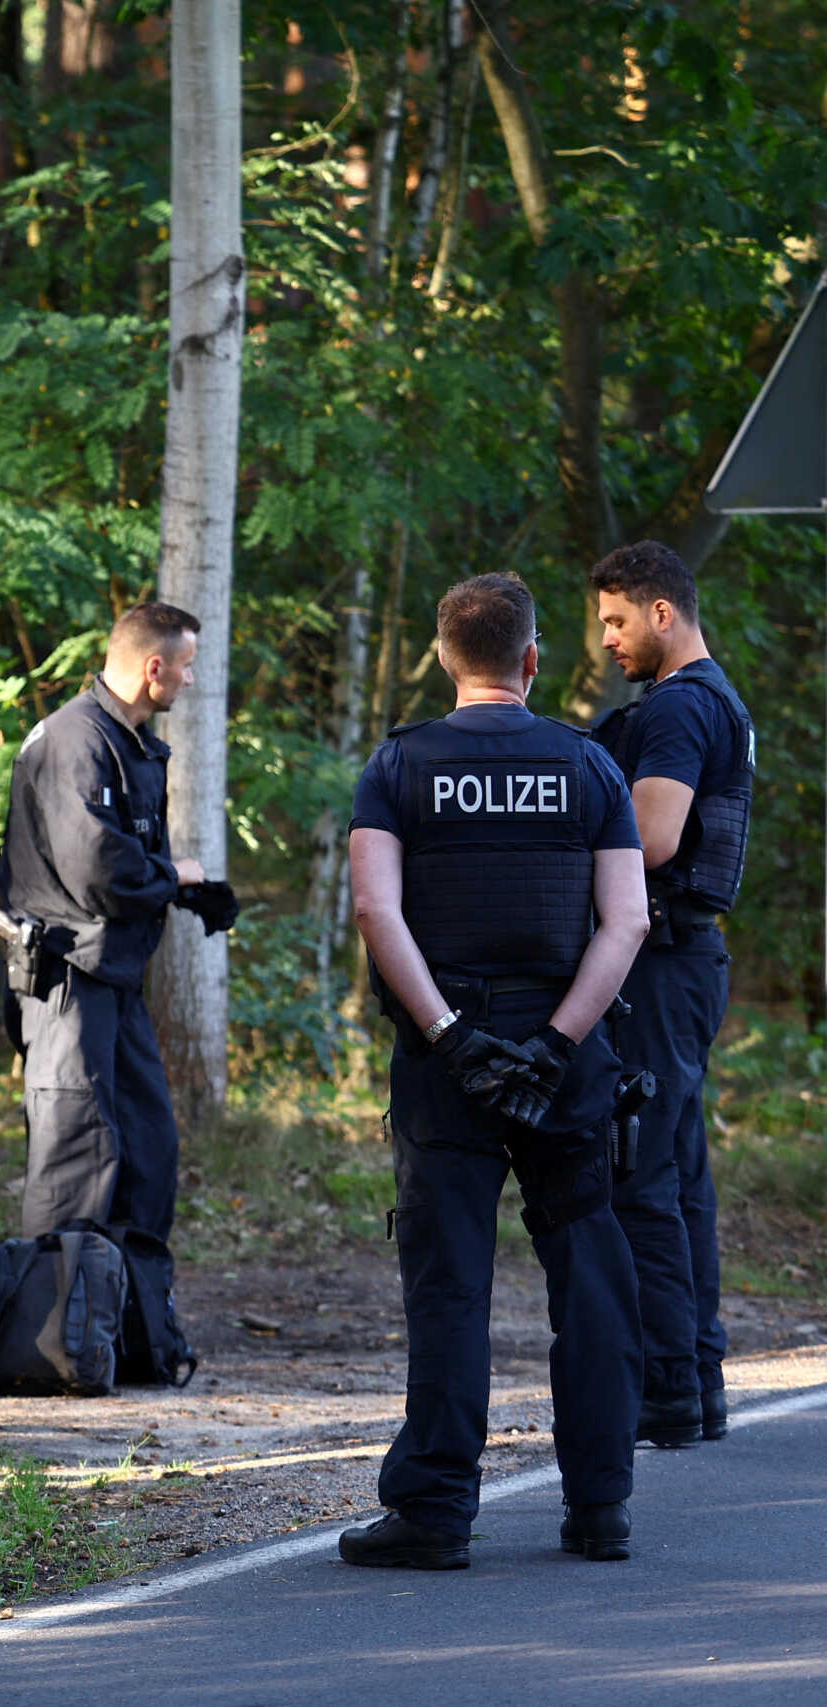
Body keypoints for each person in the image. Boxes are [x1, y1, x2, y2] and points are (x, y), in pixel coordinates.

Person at [339, 572, 648, 1570]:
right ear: (529, 661)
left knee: (449, 1282)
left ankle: (431, 1515)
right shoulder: (589, 766)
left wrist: (449, 1037)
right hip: (564, 1060)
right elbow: (627, 921)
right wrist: (555, 1044)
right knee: (590, 1275)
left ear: (441, 657)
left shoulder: (398, 765)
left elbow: (377, 912)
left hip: (448, 1067)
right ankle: (599, 1510)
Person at [0, 603, 235, 1246]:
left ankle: (131, 1336)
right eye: (185, 667)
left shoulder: (125, 743)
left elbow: (123, 860)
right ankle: (56, 1339)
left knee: (146, 1154)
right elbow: (96, 870)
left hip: (115, 978)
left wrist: (188, 891)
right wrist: (172, 877)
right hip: (67, 982)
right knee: (77, 1162)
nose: (190, 681)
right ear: (154, 666)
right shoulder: (74, 741)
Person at [589, 541, 754, 1447]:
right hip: (689, 964)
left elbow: (652, 838)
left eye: (616, 621)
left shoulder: (683, 708)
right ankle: (697, 1384)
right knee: (681, 1175)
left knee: (643, 1173)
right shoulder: (710, 695)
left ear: (661, 613)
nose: (607, 640)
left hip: (663, 963)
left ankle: (667, 1393)